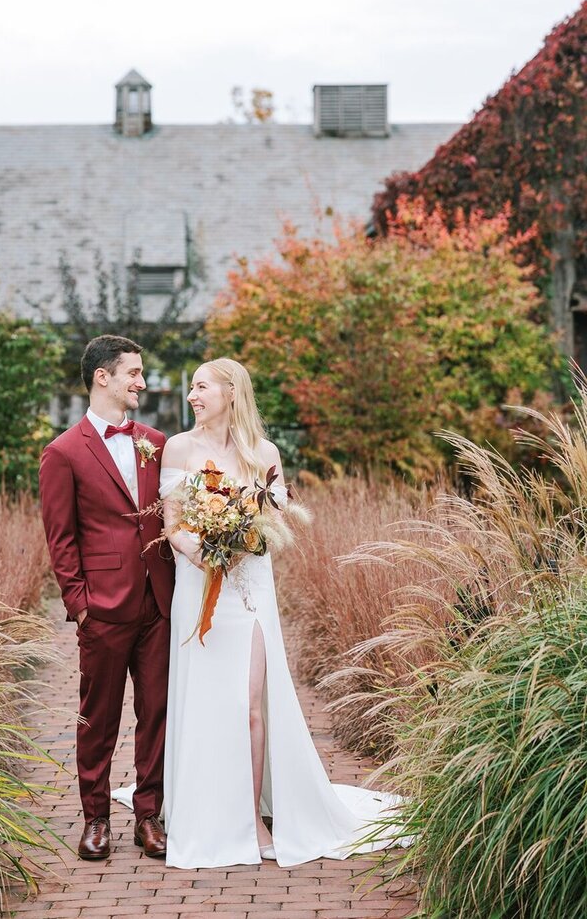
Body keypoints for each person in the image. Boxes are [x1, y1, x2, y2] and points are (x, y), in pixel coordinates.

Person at [122, 357, 408, 868]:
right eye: (191, 388)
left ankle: (252, 816)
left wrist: (242, 540)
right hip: (199, 587)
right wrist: (207, 552)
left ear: (232, 392)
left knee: (251, 705)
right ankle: (202, 807)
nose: (192, 395)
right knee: (207, 701)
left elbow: (275, 526)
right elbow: (172, 525)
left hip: (249, 589)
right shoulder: (178, 448)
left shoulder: (263, 453)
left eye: (202, 386)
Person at [39, 335, 174, 861]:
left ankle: (149, 817)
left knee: (157, 712)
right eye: (133, 373)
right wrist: (80, 605)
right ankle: (95, 818)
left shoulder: (158, 443)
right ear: (103, 377)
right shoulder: (63, 453)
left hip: (160, 603)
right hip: (103, 607)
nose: (142, 382)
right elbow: (61, 537)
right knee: (98, 717)